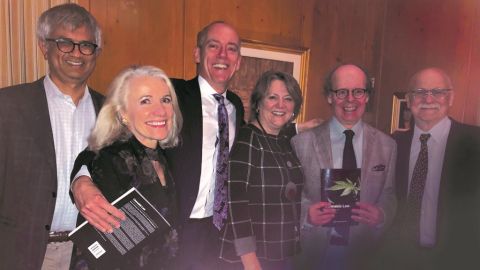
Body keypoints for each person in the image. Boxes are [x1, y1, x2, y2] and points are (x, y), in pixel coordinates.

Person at [70, 21, 319, 270]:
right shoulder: (171, 95)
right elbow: (107, 140)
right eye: (214, 46)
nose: (223, 55)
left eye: (231, 49)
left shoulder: (234, 104)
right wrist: (81, 180)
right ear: (197, 54)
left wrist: (294, 128)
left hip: (220, 232)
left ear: (239, 61)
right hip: (174, 227)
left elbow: (260, 133)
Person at [0, 4, 104, 270]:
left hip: (90, 254)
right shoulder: (8, 106)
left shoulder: (111, 112)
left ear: (96, 52)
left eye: (86, 45)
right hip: (22, 253)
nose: (77, 53)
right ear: (44, 47)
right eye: (64, 43)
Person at [74, 65, 182, 269]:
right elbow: (100, 251)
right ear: (123, 113)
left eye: (166, 100)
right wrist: (79, 181)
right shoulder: (111, 160)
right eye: (145, 101)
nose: (160, 110)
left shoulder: (166, 157)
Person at [291, 64, 397, 270]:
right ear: (330, 97)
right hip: (313, 254)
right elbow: (290, 196)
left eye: (358, 91)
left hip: (364, 254)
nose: (350, 99)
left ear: (367, 96)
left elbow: (389, 194)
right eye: (341, 92)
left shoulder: (387, 145)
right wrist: (306, 216)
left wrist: (382, 214)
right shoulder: (301, 142)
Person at [377, 68, 480, 270]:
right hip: (399, 259)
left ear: (451, 98)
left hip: (459, 259)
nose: (429, 98)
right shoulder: (392, 145)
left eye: (438, 92)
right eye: (420, 92)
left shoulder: (475, 143)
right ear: (408, 99)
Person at [219, 71, 304, 270]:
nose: (280, 105)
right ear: (258, 103)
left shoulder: (282, 141)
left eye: (288, 99)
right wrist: (250, 261)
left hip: (281, 252)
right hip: (251, 259)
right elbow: (236, 202)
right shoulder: (247, 140)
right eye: (272, 97)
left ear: (294, 107)